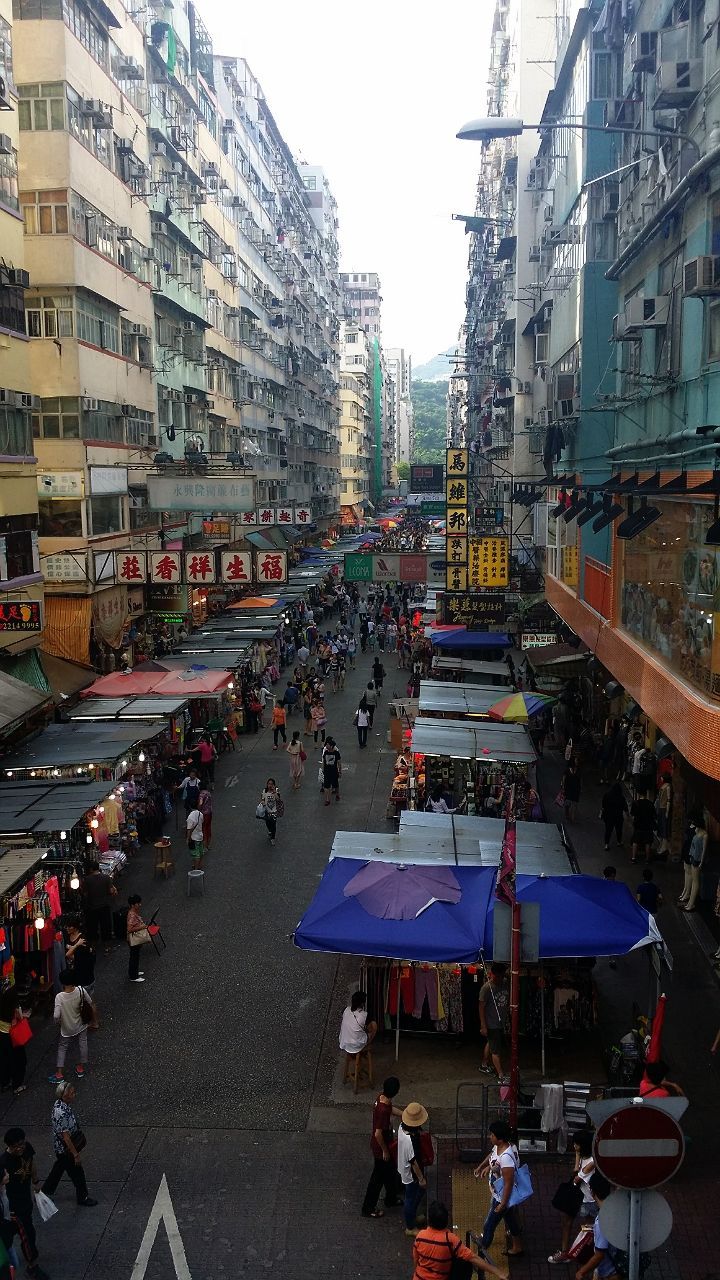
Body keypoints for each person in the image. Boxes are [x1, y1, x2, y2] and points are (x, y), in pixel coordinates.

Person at [413, 1200, 508, 1280]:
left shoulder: (420, 1236)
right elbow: (473, 1258)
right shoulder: (450, 1239)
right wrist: (497, 1272)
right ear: (446, 1220)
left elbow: (416, 1260)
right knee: (465, 1263)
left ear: (429, 1220)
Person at [0, 1129, 48, 1280]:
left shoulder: (27, 1149)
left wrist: (35, 1181)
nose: (20, 1148)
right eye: (16, 1146)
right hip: (14, 1208)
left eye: (22, 1144)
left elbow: (31, 1162)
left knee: (22, 1232)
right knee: (27, 1234)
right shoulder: (4, 1162)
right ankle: (32, 1267)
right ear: (9, 1146)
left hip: (25, 1202)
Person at [41, 1081, 97, 1207]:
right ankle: (83, 1197)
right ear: (64, 1096)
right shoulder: (61, 1113)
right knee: (78, 1173)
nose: (74, 1095)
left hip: (61, 1149)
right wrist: (75, 1154)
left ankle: (44, 1192)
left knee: (58, 1169)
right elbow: (66, 1138)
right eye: (72, 1093)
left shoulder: (61, 1105)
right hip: (66, 1150)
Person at [474, 1119, 523, 1256]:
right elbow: (493, 1157)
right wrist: (483, 1166)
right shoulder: (500, 1147)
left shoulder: (507, 1157)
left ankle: (481, 1256)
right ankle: (517, 1246)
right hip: (499, 1192)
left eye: (492, 1135)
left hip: (501, 1196)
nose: (490, 1137)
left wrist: (502, 1204)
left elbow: (508, 1183)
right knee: (510, 1220)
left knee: (489, 1225)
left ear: (500, 1139)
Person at [548, 1130, 596, 1263]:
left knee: (590, 1230)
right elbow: (575, 1170)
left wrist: (578, 1160)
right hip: (579, 1197)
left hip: (589, 1201)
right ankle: (565, 1253)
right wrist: (577, 1156)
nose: (574, 1146)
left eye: (577, 1144)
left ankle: (592, 1257)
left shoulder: (592, 1162)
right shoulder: (584, 1157)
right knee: (567, 1222)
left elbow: (577, 1178)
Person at [361, 1076, 403, 1219]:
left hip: (384, 1145)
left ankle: (391, 1198)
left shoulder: (381, 1097)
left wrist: (405, 1115)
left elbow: (392, 1109)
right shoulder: (383, 1110)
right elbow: (378, 1133)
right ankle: (368, 1208)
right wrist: (385, 1151)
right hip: (381, 1148)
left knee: (390, 1171)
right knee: (377, 1179)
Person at [574, 1173, 621, 1280]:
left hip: (612, 1273)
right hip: (621, 1268)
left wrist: (581, 1272)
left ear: (591, 1191)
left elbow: (599, 1255)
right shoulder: (617, 1209)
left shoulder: (602, 1221)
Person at [50, 969, 91, 1084]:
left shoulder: (60, 997)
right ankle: (80, 1068)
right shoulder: (80, 990)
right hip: (81, 1024)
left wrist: (57, 1022)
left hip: (66, 1027)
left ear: (62, 982)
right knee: (82, 1043)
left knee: (63, 1047)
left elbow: (56, 1015)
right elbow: (90, 1001)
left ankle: (59, 1073)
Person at [397, 1101, 429, 1237]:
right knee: (410, 1197)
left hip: (404, 1167)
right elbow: (413, 1162)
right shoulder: (410, 1140)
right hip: (411, 1174)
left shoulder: (401, 1127)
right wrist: (421, 1178)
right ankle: (410, 1226)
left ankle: (412, 1216)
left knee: (414, 1195)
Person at [478, 965, 509, 1079]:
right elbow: (481, 1007)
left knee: (491, 1043)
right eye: (497, 976)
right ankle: (500, 1074)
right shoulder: (486, 988)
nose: (499, 978)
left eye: (501, 976)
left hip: (501, 1022)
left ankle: (484, 1064)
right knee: (496, 1050)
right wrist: (483, 1025)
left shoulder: (505, 983)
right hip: (492, 1023)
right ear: (491, 974)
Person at [81, 860, 117, 944]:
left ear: (90, 869)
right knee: (105, 925)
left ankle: (94, 939)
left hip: (92, 906)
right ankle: (106, 939)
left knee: (93, 925)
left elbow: (85, 894)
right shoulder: (106, 877)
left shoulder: (87, 880)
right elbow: (111, 891)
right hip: (105, 905)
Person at [0, 991, 28, 1097]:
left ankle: (5, 1083)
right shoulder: (10, 994)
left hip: (1, 1032)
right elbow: (19, 1015)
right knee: (19, 1060)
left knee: (4, 1059)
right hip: (12, 1033)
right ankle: (17, 1086)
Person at [679, 816, 707, 911]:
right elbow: (693, 845)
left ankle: (691, 903)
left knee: (695, 881)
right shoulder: (697, 831)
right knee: (693, 879)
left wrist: (701, 862)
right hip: (692, 856)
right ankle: (689, 902)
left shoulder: (704, 835)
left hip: (697, 859)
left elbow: (704, 850)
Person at [64, 917, 96, 996]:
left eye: (69, 926)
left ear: (75, 927)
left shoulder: (82, 940)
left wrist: (76, 945)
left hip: (84, 976)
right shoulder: (67, 937)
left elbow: (69, 955)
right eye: (66, 926)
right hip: (74, 974)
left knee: (86, 1001)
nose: (67, 928)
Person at [339, 990, 377, 1056]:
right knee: (374, 1025)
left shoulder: (345, 1009)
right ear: (362, 1003)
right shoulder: (365, 1015)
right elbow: (371, 1027)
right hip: (356, 1045)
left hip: (344, 1043)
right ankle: (367, 1044)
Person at [126, 894, 148, 983]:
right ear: (132, 905)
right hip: (134, 938)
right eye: (138, 903)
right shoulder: (132, 915)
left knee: (135, 956)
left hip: (134, 938)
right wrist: (142, 927)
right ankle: (133, 976)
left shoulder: (133, 912)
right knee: (134, 957)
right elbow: (129, 929)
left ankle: (134, 972)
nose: (139, 905)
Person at [630, 790, 656, 864]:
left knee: (635, 841)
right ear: (646, 795)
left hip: (638, 826)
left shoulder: (636, 803)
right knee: (647, 843)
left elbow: (632, 814)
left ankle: (633, 858)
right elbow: (654, 815)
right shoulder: (650, 804)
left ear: (639, 795)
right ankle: (647, 859)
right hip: (648, 826)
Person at [600, 781, 627, 850]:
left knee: (608, 830)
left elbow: (603, 805)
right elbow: (625, 807)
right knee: (619, 830)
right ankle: (619, 841)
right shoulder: (621, 797)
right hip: (618, 817)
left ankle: (606, 844)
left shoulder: (607, 795)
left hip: (608, 816)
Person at [321, 737, 342, 805]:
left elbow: (339, 762)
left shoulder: (336, 753)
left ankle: (337, 794)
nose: (326, 746)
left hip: (334, 771)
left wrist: (340, 771)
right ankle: (327, 799)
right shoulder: (326, 752)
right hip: (327, 771)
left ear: (331, 746)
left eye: (328, 745)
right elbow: (324, 761)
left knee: (335, 784)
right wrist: (323, 769)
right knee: (326, 786)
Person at [260, 778, 281, 845]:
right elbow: (262, 799)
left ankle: (273, 838)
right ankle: (270, 831)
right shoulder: (264, 791)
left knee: (273, 825)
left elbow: (278, 799)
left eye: (271, 784)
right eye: (269, 784)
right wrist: (263, 802)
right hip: (267, 811)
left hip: (274, 811)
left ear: (274, 785)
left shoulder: (276, 791)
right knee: (268, 823)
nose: (270, 785)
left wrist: (274, 791)